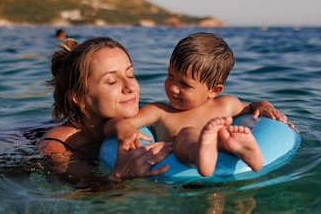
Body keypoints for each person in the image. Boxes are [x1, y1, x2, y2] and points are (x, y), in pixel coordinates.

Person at [105, 32, 292, 177]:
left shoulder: (226, 104)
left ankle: (236, 146)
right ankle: (208, 148)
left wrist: (264, 105)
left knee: (215, 134)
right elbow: (111, 124)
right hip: (181, 174)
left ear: (214, 90)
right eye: (170, 76)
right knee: (187, 134)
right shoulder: (159, 111)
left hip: (209, 170)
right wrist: (121, 127)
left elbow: (252, 108)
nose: (173, 88)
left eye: (184, 85)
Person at [37, 37, 173, 187]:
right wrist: (120, 178)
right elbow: (89, 197)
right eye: (111, 81)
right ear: (78, 97)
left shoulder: (150, 114)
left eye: (130, 75)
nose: (130, 87)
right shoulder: (57, 148)